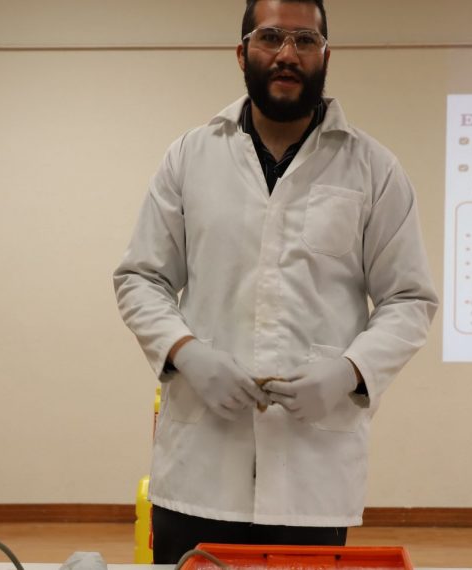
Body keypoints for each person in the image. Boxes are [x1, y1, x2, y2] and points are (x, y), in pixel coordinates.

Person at [113, 0, 438, 563]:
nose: (288, 53)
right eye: (271, 37)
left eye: (305, 41)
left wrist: (350, 371)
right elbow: (141, 277)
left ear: (326, 56)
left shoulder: (373, 168)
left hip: (311, 476)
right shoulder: (189, 157)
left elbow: (409, 299)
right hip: (199, 468)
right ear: (242, 53)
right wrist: (187, 352)